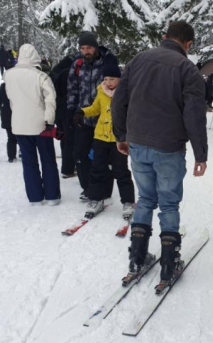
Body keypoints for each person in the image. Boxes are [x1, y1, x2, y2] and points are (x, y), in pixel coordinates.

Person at [112, 20, 208, 289]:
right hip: (168, 147)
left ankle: (137, 259)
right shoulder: (188, 69)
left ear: (165, 36)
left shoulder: (138, 60)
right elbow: (194, 115)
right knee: (168, 204)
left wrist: (121, 136)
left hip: (138, 144)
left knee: (145, 199)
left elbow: (119, 99)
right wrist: (201, 154)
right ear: (188, 44)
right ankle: (168, 265)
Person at [73, 59, 135, 219]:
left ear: (120, 78)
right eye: (106, 79)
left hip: (119, 138)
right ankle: (96, 199)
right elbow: (96, 108)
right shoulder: (101, 90)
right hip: (100, 136)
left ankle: (128, 202)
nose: (108, 82)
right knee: (97, 169)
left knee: (121, 171)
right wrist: (83, 112)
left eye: (112, 79)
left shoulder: (126, 92)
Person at [4, 44, 60, 205]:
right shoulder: (41, 76)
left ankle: (35, 197)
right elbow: (50, 100)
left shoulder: (9, 75)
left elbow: (11, 99)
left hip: (20, 125)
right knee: (48, 159)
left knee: (29, 162)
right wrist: (49, 120)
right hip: (41, 125)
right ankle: (52, 196)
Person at [67, 31, 117, 201]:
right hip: (84, 117)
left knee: (104, 156)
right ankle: (88, 188)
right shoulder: (77, 64)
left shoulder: (107, 62)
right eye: (82, 48)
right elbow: (72, 90)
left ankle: (105, 189)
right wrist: (71, 112)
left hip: (105, 120)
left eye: (88, 47)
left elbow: (117, 88)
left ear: (95, 47)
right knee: (79, 154)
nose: (86, 51)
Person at [49, 55, 75, 178]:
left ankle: (66, 163)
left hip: (56, 109)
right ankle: (68, 169)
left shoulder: (55, 72)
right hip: (66, 109)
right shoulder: (68, 73)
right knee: (70, 138)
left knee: (64, 136)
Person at [0, 68, 18, 162]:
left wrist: (3, 109)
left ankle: (11, 156)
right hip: (18, 114)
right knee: (21, 135)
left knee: (10, 137)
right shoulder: (18, 86)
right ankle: (23, 153)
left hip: (6, 115)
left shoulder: (3, 86)